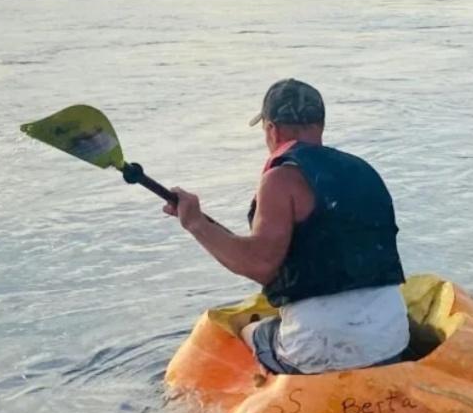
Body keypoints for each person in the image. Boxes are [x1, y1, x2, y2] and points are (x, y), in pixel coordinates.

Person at [163, 78, 407, 375]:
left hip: (318, 349)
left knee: (249, 331)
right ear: (320, 125)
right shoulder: (364, 170)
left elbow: (261, 264)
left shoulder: (280, 180)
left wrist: (195, 223)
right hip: (391, 340)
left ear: (272, 129)